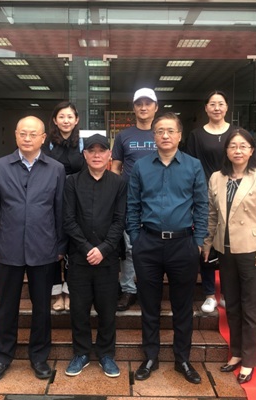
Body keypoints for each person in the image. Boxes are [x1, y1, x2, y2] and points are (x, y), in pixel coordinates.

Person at [0, 116, 66, 382]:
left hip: (44, 248)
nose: (27, 138)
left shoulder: (56, 169)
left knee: (42, 307)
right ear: (15, 135)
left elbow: (60, 211)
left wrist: (61, 246)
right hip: (9, 247)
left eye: (33, 134)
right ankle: (1, 356)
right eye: (23, 133)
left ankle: (39, 357)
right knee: (7, 306)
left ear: (43, 138)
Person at [127, 112, 208, 384]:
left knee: (182, 307)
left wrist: (198, 241)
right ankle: (150, 356)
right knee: (149, 305)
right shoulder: (141, 166)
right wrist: (136, 238)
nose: (165, 135)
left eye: (170, 130)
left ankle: (182, 359)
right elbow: (132, 205)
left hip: (183, 244)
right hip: (147, 244)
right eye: (160, 130)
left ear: (179, 135)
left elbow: (202, 205)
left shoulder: (194, 166)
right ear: (154, 136)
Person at [202, 128, 256, 384]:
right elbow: (212, 215)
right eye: (233, 146)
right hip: (225, 250)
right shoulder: (217, 178)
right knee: (231, 304)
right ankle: (236, 352)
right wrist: (207, 243)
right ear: (226, 151)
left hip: (252, 251)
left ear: (251, 150)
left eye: (243, 146)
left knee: (251, 308)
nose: (238, 150)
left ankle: (250, 360)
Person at [63, 134, 127, 378]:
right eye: (92, 150)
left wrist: (104, 249)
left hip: (107, 259)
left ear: (110, 155)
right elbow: (68, 219)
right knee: (79, 309)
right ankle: (80, 353)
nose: (97, 155)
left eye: (102, 150)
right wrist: (86, 248)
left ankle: (106, 354)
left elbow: (120, 220)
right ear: (85, 154)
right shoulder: (71, 182)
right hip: (79, 258)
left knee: (107, 309)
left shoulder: (118, 183)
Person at [185, 90, 237, 313]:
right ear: (206, 108)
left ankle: (226, 293)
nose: (217, 108)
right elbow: (190, 165)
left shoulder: (236, 133)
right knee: (205, 240)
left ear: (227, 107)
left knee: (229, 243)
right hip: (204, 193)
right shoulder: (196, 135)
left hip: (233, 192)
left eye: (221, 104)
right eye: (212, 104)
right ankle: (208, 293)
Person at [111, 88, 159, 311]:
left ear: (156, 107)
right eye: (139, 103)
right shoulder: (123, 136)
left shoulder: (162, 134)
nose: (143, 107)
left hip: (158, 200)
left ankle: (149, 288)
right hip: (130, 200)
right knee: (129, 247)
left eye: (148, 103)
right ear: (134, 108)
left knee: (155, 245)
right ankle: (129, 289)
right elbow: (116, 168)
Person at [42, 101, 85, 312]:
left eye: (70, 117)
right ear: (55, 120)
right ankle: (56, 292)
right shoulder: (47, 143)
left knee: (73, 247)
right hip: (51, 199)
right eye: (61, 116)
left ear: (76, 120)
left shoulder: (83, 143)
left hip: (77, 199)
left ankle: (69, 291)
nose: (66, 120)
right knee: (53, 245)